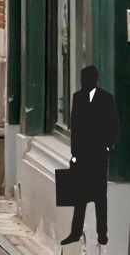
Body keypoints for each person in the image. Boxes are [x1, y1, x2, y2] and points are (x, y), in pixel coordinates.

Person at [64, 64, 117, 247]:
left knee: (100, 197)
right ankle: (75, 232)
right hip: (83, 156)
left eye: (85, 79)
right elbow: (75, 127)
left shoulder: (106, 99)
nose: (82, 82)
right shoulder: (77, 98)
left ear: (93, 80)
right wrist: (74, 154)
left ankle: (102, 234)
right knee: (80, 197)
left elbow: (113, 125)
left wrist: (107, 147)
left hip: (99, 156)